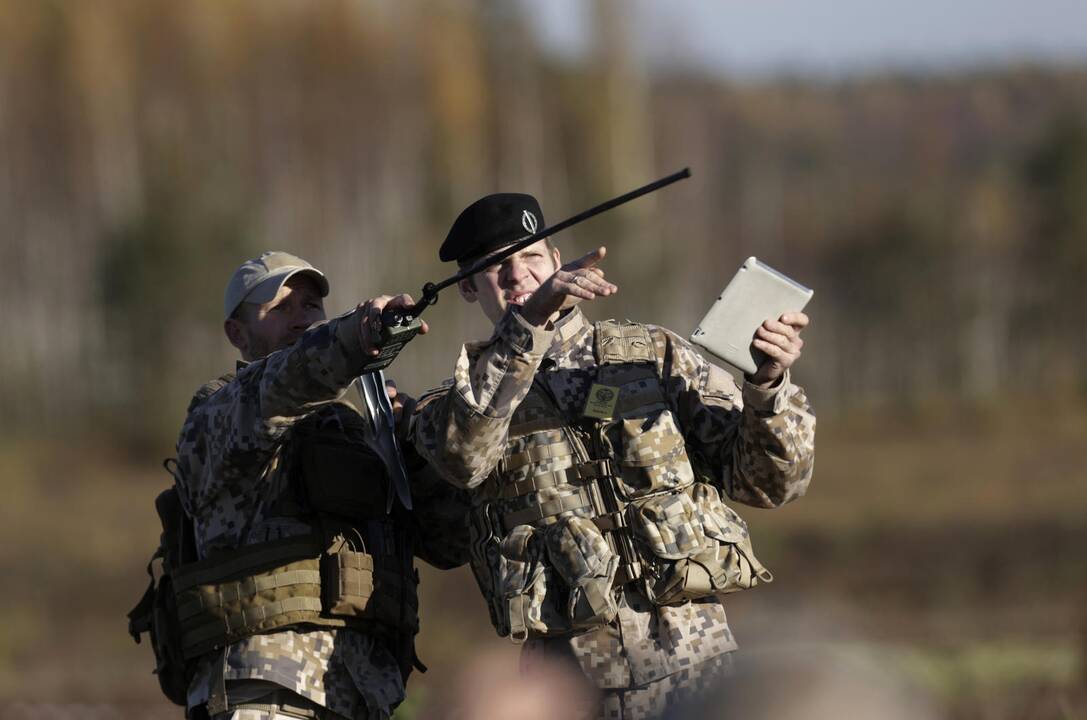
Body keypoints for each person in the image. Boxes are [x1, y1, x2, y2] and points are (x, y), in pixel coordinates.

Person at [411, 194, 816, 719]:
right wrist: (528, 327)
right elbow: (464, 456)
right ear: (467, 287)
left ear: (558, 263)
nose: (517, 276)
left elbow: (769, 483)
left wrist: (767, 384)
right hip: (566, 688)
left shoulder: (652, 355)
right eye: (496, 266)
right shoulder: (453, 406)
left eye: (531, 257)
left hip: (697, 668)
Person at [170, 251, 468, 719]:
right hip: (266, 689)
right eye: (280, 308)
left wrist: (413, 442)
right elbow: (287, 382)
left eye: (310, 306)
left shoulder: (361, 429)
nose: (299, 318)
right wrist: (354, 337)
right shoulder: (222, 413)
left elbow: (450, 543)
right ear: (237, 332)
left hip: (365, 694)